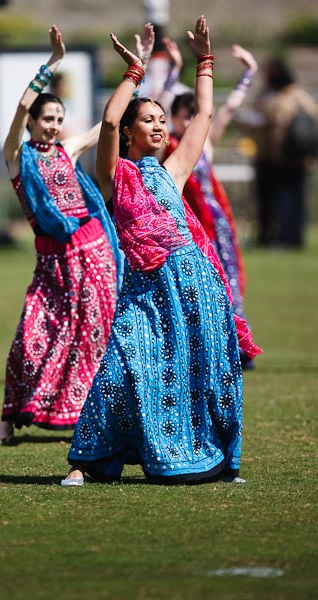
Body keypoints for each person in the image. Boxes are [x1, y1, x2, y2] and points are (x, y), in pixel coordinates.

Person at [62, 17, 261, 487]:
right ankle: (86, 462)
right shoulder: (116, 177)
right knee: (121, 365)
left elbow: (205, 117)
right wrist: (134, 72)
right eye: (148, 120)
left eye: (161, 119)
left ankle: (216, 459)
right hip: (146, 291)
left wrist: (205, 61)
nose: (158, 125)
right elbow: (109, 120)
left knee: (206, 369)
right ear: (131, 132)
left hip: (194, 285)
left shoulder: (172, 172)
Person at [0, 26, 121, 444]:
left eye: (59, 120)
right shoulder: (16, 155)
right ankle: (8, 420)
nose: (54, 126)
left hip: (93, 254)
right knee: (31, 337)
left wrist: (135, 74)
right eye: (47, 119)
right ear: (31, 122)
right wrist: (52, 63)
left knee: (93, 336)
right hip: (52, 262)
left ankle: (89, 418)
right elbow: (19, 107)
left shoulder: (67, 150)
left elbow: (110, 124)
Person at [161, 44, 258, 367]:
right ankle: (202, 351)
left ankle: (239, 348)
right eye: (183, 115)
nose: (190, 121)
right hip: (187, 230)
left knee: (229, 282)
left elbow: (225, 110)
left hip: (216, 225)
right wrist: (173, 70)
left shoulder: (206, 146)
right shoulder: (168, 148)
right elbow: (156, 107)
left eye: (193, 115)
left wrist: (248, 74)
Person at [251, 58, 318, 248]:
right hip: (297, 158)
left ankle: (278, 238)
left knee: (278, 201)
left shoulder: (279, 98)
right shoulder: (302, 97)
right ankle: (289, 238)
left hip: (277, 158)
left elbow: (273, 125)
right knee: (292, 200)